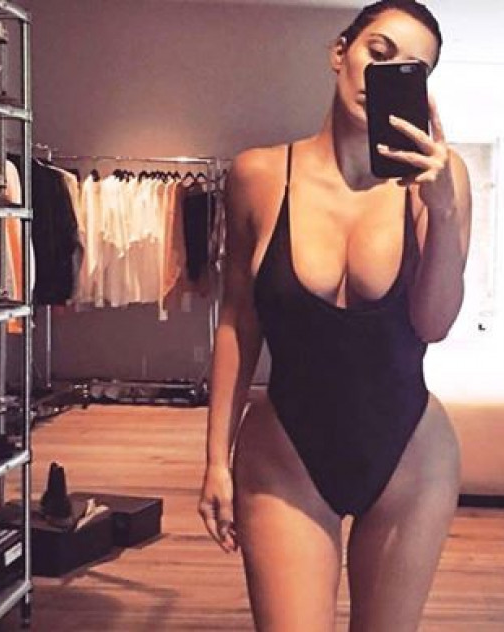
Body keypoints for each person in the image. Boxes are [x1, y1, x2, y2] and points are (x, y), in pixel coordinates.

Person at [199, 1, 472, 629]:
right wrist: (214, 458)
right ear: (339, 52)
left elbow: (434, 324)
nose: (384, 75)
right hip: (284, 453)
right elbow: (238, 320)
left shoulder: (439, 178)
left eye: (410, 69)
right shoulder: (258, 175)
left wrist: (442, 210)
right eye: (378, 53)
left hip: (410, 454)